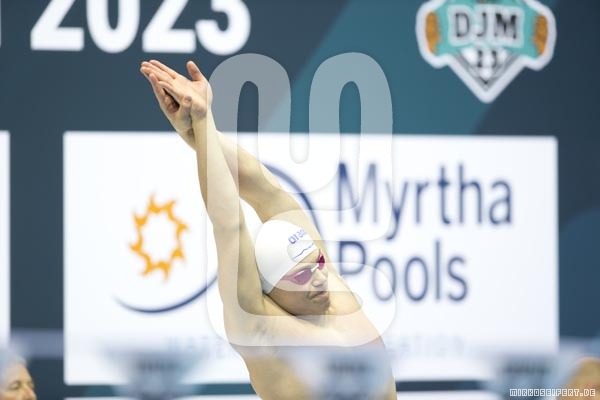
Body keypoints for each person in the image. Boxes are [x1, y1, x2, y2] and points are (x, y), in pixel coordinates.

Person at [139, 59, 396, 399]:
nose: (320, 277)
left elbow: (265, 190)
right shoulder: (259, 329)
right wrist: (201, 119)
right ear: (271, 289)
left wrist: (203, 133)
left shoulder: (328, 285)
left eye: (318, 263)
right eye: (301, 276)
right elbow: (228, 225)